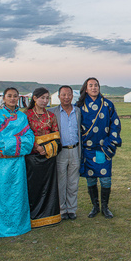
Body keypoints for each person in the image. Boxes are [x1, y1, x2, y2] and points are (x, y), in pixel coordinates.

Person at [0, 87, 35, 237]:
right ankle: (0, 227)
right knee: (1, 192)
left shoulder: (22, 117)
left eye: (15, 96)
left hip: (18, 161)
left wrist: (10, 144)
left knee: (18, 192)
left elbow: (29, 136)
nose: (12, 99)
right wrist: (16, 142)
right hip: (1, 162)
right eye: (9, 96)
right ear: (4, 98)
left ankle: (19, 225)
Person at [77, 78, 122, 218]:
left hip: (102, 149)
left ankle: (105, 207)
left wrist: (110, 142)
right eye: (91, 85)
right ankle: (95, 207)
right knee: (91, 179)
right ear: (86, 89)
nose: (94, 88)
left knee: (105, 179)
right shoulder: (79, 106)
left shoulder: (107, 105)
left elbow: (115, 123)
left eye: (96, 85)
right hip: (88, 150)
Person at [25, 87, 62, 228]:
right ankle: (34, 217)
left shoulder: (51, 116)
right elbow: (24, 134)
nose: (45, 101)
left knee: (49, 187)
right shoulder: (26, 115)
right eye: (42, 98)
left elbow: (56, 135)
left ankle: (50, 216)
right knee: (34, 187)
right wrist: (36, 147)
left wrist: (46, 149)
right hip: (32, 157)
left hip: (48, 157)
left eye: (47, 98)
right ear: (34, 98)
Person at [49, 85, 81, 220]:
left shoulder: (78, 111)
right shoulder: (52, 112)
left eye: (69, 94)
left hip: (75, 150)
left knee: (73, 182)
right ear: (58, 96)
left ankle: (72, 209)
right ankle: (62, 209)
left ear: (72, 96)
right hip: (61, 151)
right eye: (63, 95)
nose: (66, 97)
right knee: (60, 181)